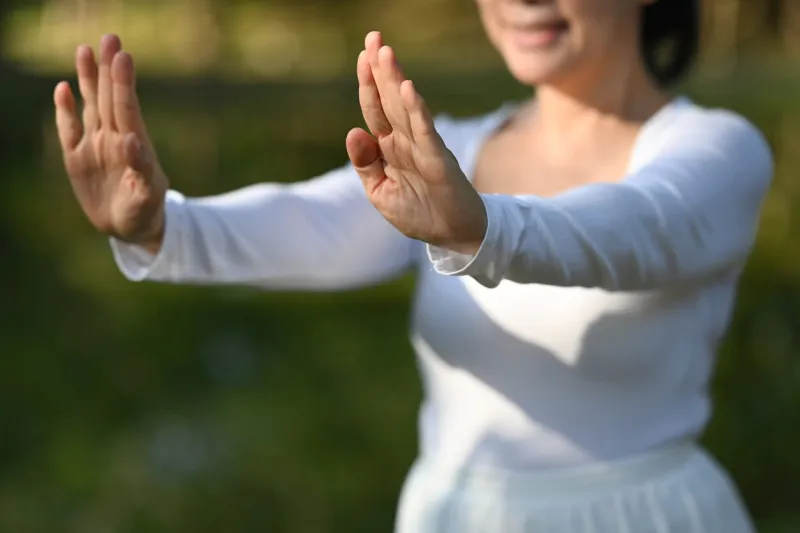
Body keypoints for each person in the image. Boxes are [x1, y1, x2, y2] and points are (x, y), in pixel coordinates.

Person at [53, 0, 773, 531]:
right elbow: (309, 220)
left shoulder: (716, 150)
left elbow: (635, 228)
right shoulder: (451, 158)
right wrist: (161, 225)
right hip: (454, 513)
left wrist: (485, 226)